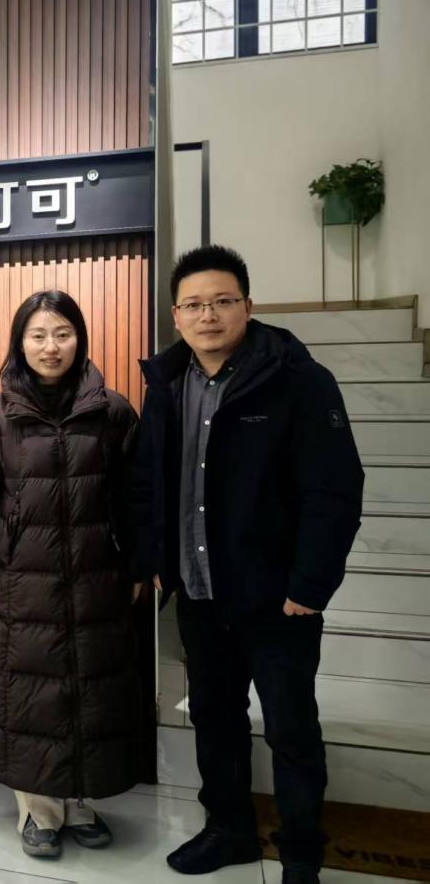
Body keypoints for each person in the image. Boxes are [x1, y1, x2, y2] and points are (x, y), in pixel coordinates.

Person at [132, 246, 363, 884]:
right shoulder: (167, 384)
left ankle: (301, 853)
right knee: (215, 719)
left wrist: (310, 585)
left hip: (277, 599)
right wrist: (156, 559)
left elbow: (334, 490)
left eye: (222, 301)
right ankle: (229, 830)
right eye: (194, 305)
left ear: (248, 306)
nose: (208, 315)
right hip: (199, 592)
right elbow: (147, 480)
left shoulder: (298, 380)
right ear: (176, 315)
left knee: (291, 728)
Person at [0, 289, 141, 858]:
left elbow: (137, 497)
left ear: (79, 339)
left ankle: (81, 802)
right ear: (20, 343)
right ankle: (40, 811)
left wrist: (139, 563)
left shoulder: (112, 412)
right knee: (32, 695)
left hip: (96, 577)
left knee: (88, 691)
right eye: (37, 335)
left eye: (62, 334)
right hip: (21, 580)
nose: (50, 346)